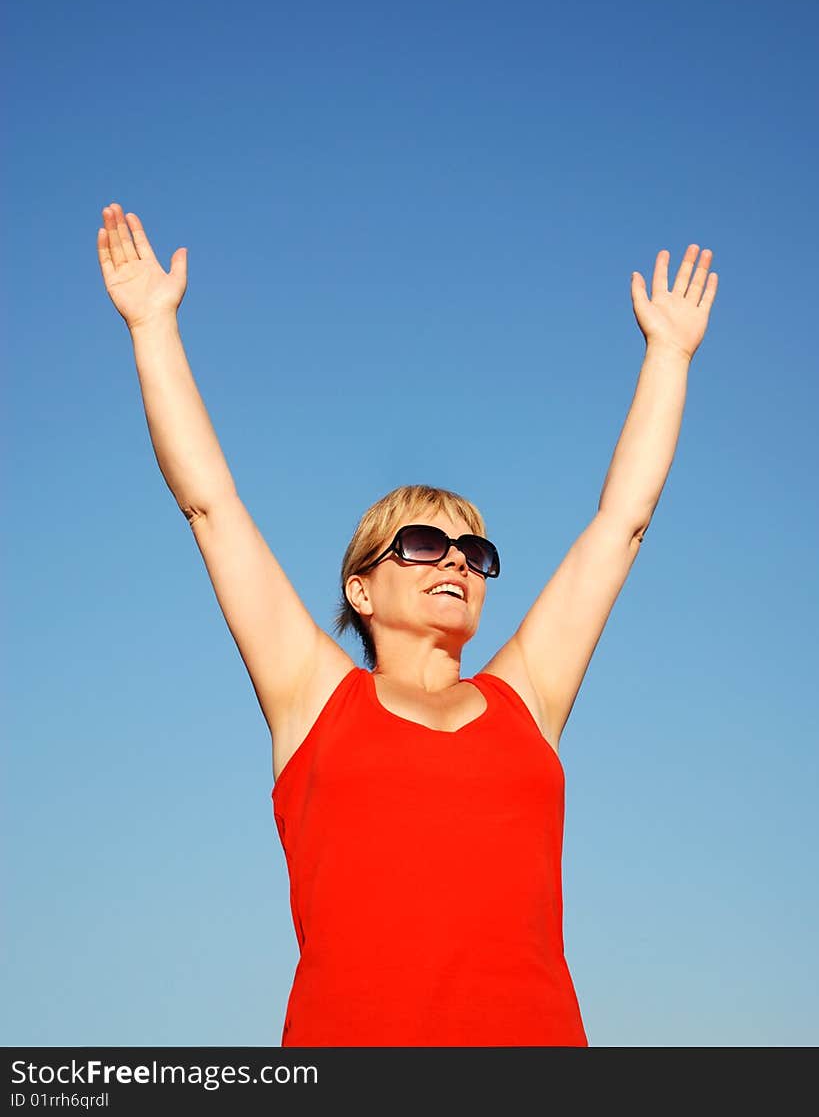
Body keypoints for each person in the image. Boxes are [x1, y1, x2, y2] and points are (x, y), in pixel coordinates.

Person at [97, 203, 718, 1046]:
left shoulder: (525, 701)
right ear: (360, 588)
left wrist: (670, 356)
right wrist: (151, 327)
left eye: (474, 551)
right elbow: (211, 505)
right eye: (423, 544)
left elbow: (622, 522)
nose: (456, 560)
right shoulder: (313, 698)